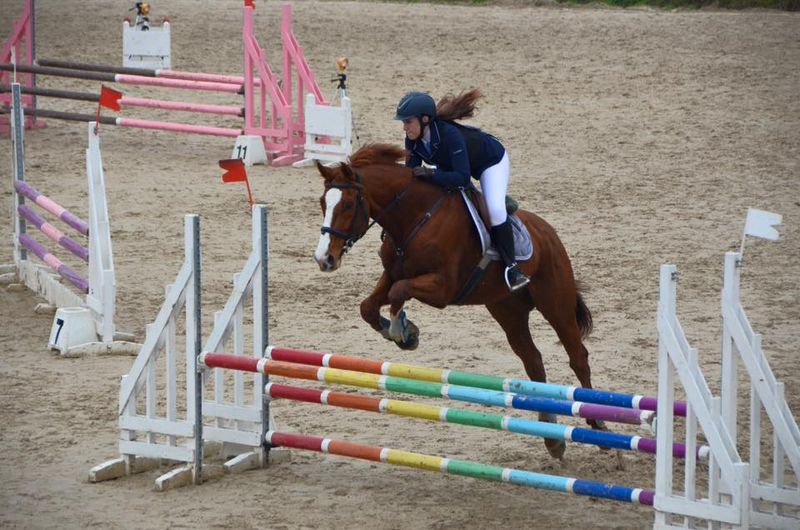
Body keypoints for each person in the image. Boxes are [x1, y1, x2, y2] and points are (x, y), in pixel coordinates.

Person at [394, 89, 530, 291]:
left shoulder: (450, 135)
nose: (404, 128)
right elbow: (412, 176)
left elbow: (463, 178)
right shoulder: (413, 140)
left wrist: (431, 174)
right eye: (403, 123)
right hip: (452, 165)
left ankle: (512, 268)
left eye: (408, 122)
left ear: (425, 119)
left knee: (495, 210)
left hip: (489, 162)